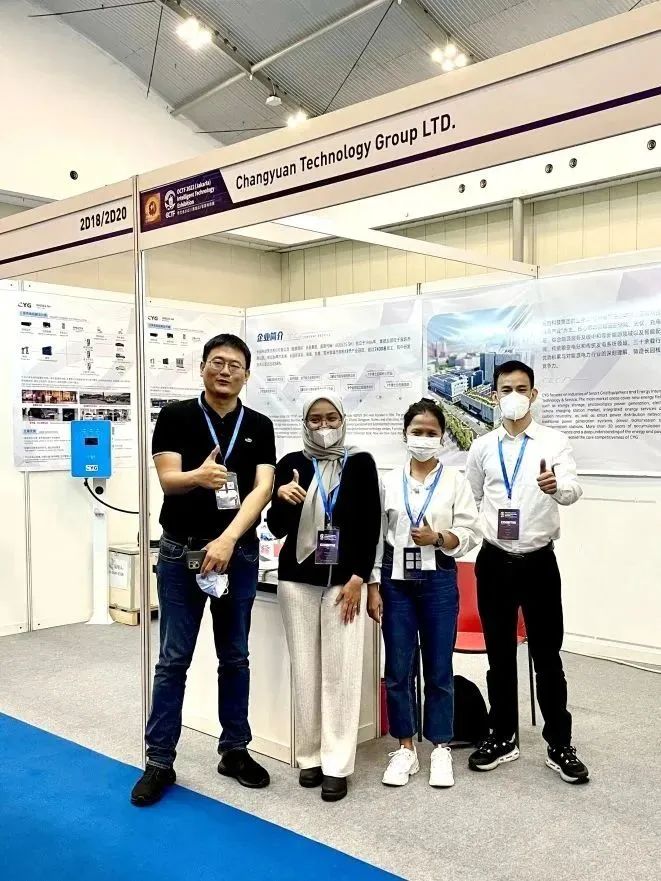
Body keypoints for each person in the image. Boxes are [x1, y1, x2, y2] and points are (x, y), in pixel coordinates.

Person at [131, 333, 276, 807]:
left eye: (235, 365)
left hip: (237, 555)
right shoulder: (176, 416)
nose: (226, 371)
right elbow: (168, 480)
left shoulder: (259, 425)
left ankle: (234, 750)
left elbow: (262, 489)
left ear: (246, 375)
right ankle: (159, 760)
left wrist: (228, 538)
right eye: (217, 362)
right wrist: (198, 476)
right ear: (202, 368)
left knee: (235, 657)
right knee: (173, 660)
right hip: (181, 554)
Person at [464, 360, 589, 784]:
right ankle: (503, 736)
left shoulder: (553, 442)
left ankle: (559, 743)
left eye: (522, 388)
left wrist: (558, 487)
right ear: (494, 395)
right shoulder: (482, 446)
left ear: (533, 394)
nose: (514, 396)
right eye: (506, 389)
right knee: (499, 656)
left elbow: (573, 489)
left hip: (538, 561)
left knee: (547, 656)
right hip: (494, 561)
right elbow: (474, 496)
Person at [267, 394, 381, 803]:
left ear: (343, 419)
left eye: (331, 418)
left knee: (341, 673)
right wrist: (281, 500)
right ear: (305, 423)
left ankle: (337, 764)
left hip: (343, 584)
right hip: (296, 579)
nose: (324, 426)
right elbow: (276, 528)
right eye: (315, 419)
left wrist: (359, 578)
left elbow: (370, 525)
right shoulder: (290, 464)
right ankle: (310, 756)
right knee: (305, 670)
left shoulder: (361, 463)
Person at [368, 400, 481, 789]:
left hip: (438, 579)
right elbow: (376, 537)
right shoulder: (388, 482)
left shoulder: (455, 481)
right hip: (394, 580)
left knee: (438, 668)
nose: (423, 438)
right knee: (398, 669)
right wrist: (374, 585)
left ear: (442, 437)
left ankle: (440, 746)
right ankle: (405, 748)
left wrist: (439, 537)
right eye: (417, 431)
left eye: (431, 433)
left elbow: (469, 531)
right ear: (405, 434)